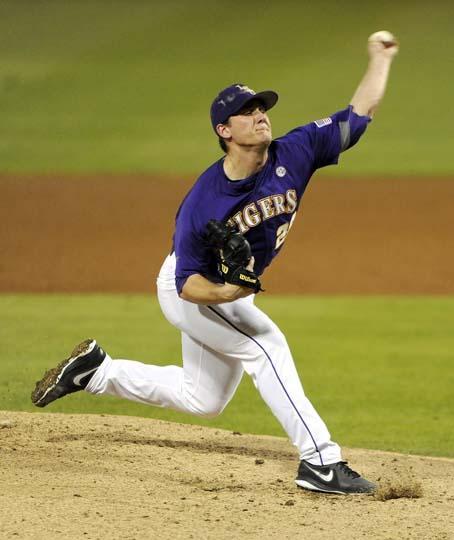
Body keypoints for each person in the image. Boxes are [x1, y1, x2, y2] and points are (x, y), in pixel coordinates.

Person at [31, 31, 399, 495]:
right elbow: (187, 285)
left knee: (203, 399)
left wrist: (380, 59)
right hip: (191, 289)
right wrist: (228, 293)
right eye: (246, 112)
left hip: (217, 291)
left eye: (261, 108)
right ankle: (320, 462)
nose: (259, 115)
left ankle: (96, 371)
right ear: (225, 131)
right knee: (265, 345)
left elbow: (358, 114)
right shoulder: (204, 203)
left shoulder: (296, 151)